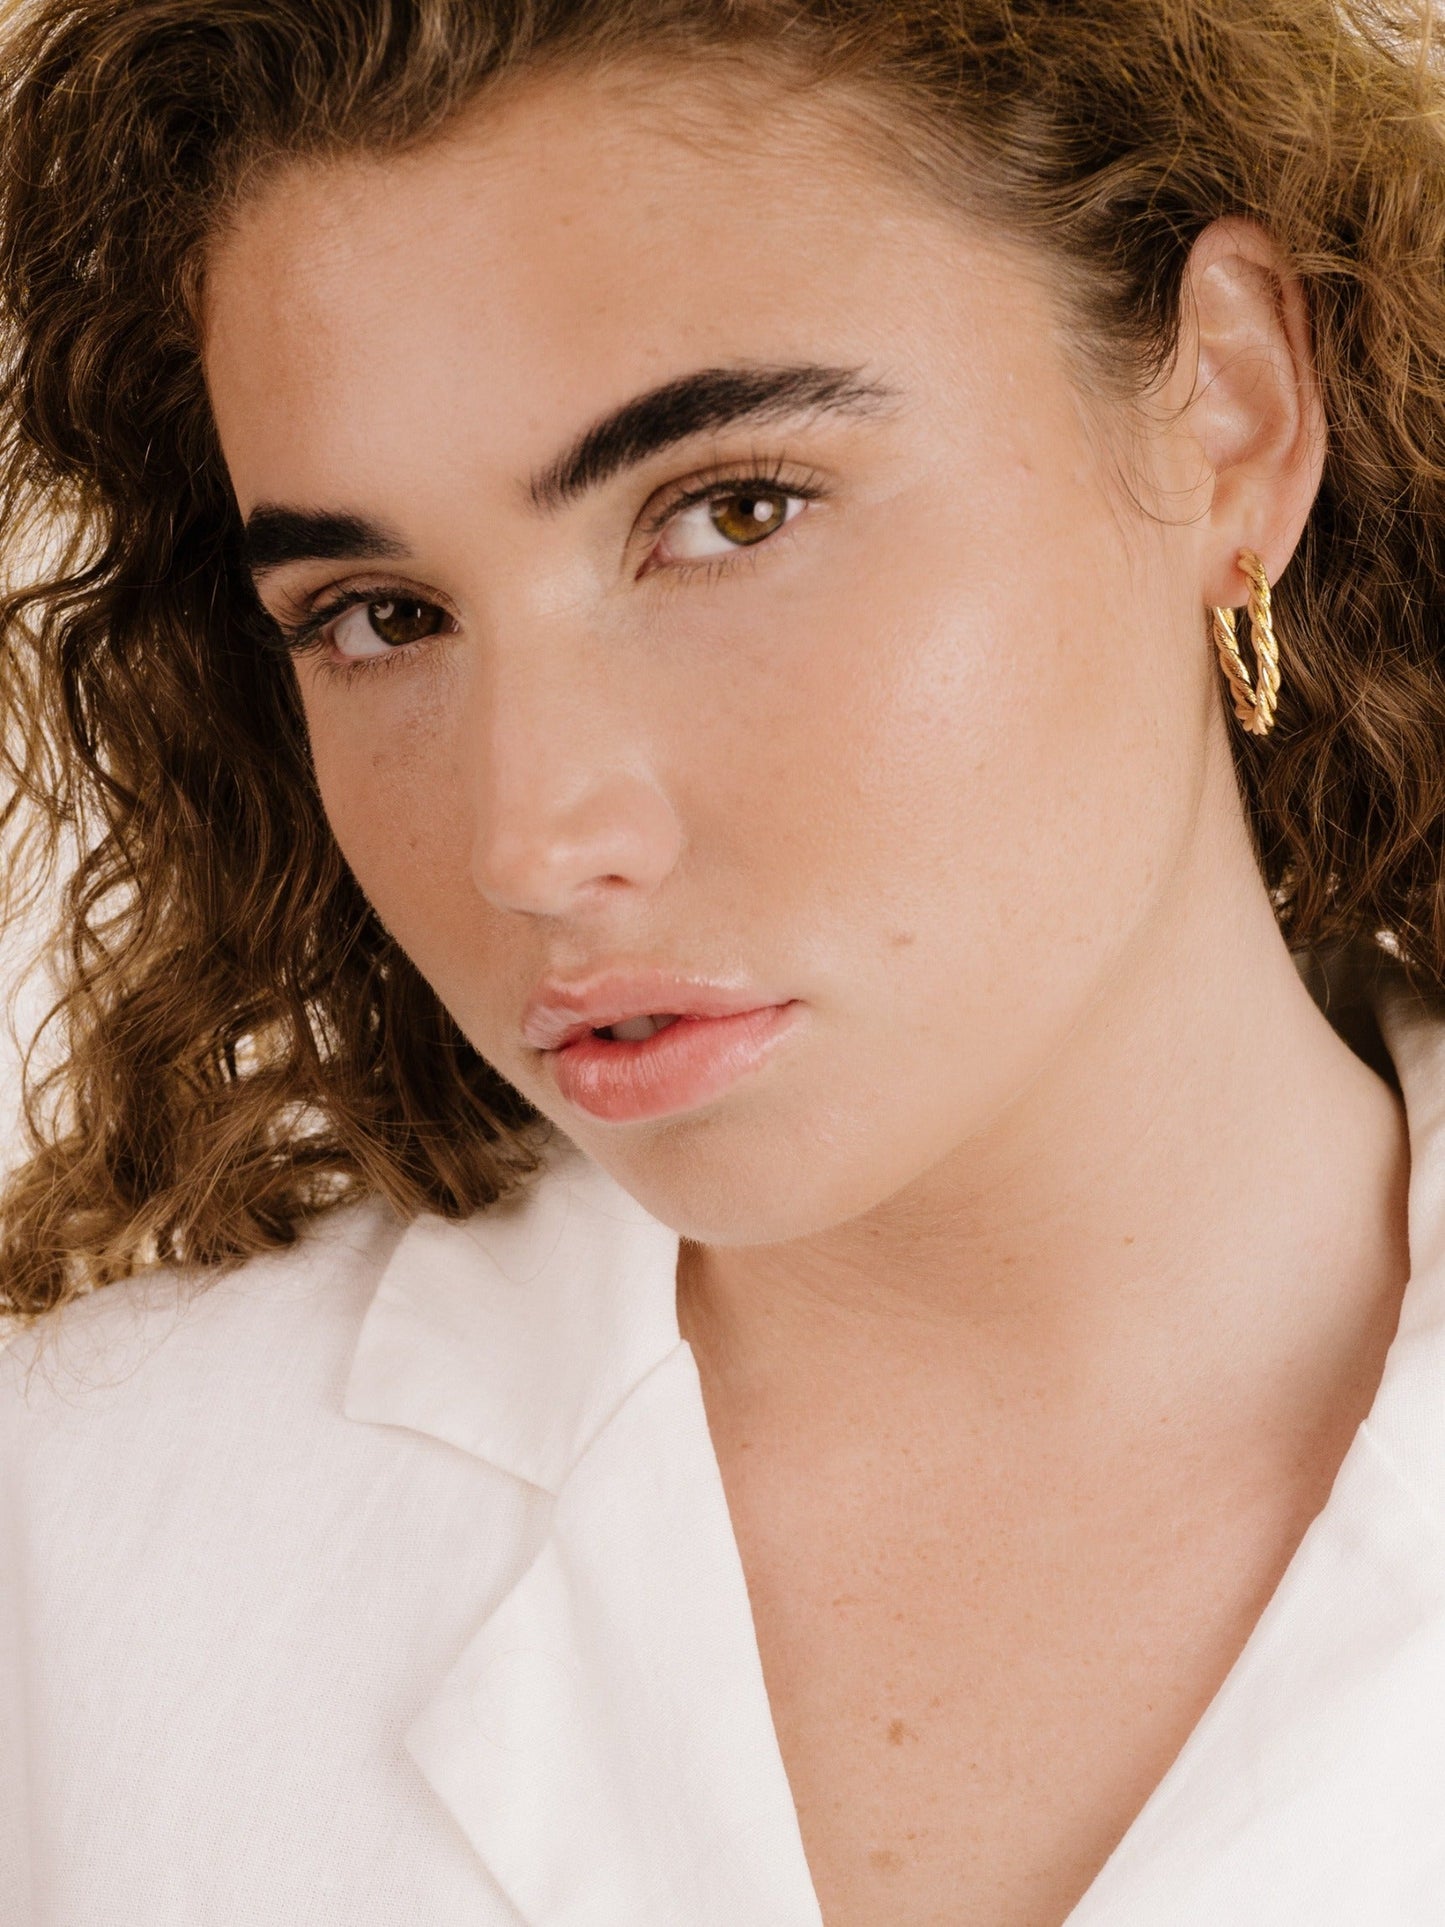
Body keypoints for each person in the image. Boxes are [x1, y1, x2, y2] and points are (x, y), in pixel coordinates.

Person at [1, 0, 1442, 1920]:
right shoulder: (79, 1559)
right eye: (378, 614)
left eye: (730, 512)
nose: (530, 840)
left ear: (1230, 409)